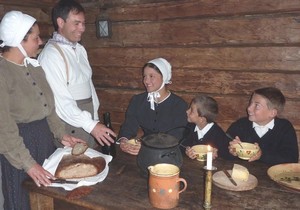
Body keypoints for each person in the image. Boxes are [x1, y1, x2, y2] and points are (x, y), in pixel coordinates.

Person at [0, 11, 85, 210]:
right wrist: (28, 164)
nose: (40, 42)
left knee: (49, 199)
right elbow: (3, 128)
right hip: (18, 147)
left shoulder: (35, 68)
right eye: (36, 37)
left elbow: (49, 108)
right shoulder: (3, 73)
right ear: (19, 40)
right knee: (22, 200)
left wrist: (61, 134)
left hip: (44, 141)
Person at [38, 0, 116, 149]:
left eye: (83, 23)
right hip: (69, 122)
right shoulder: (51, 55)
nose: (82, 28)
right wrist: (90, 124)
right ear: (60, 22)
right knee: (75, 167)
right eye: (76, 23)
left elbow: (88, 84)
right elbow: (59, 100)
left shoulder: (80, 49)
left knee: (91, 164)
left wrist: (94, 117)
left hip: (87, 117)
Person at [118, 57, 188, 155]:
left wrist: (147, 147)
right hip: (143, 151)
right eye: (144, 76)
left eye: (151, 76)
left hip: (169, 154)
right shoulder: (138, 101)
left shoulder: (178, 105)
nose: (146, 81)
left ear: (163, 77)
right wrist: (124, 141)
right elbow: (129, 125)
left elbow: (176, 136)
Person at [227, 87, 299, 165]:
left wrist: (262, 155)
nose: (249, 108)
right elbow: (223, 148)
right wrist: (232, 151)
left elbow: (291, 158)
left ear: (272, 113)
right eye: (250, 103)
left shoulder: (284, 128)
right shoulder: (241, 124)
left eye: (257, 106)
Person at [182, 95, 232, 160]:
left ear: (201, 119)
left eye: (191, 110)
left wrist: (217, 155)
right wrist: (187, 151)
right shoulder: (190, 127)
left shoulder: (218, 135)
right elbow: (182, 145)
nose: (187, 111)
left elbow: (227, 155)